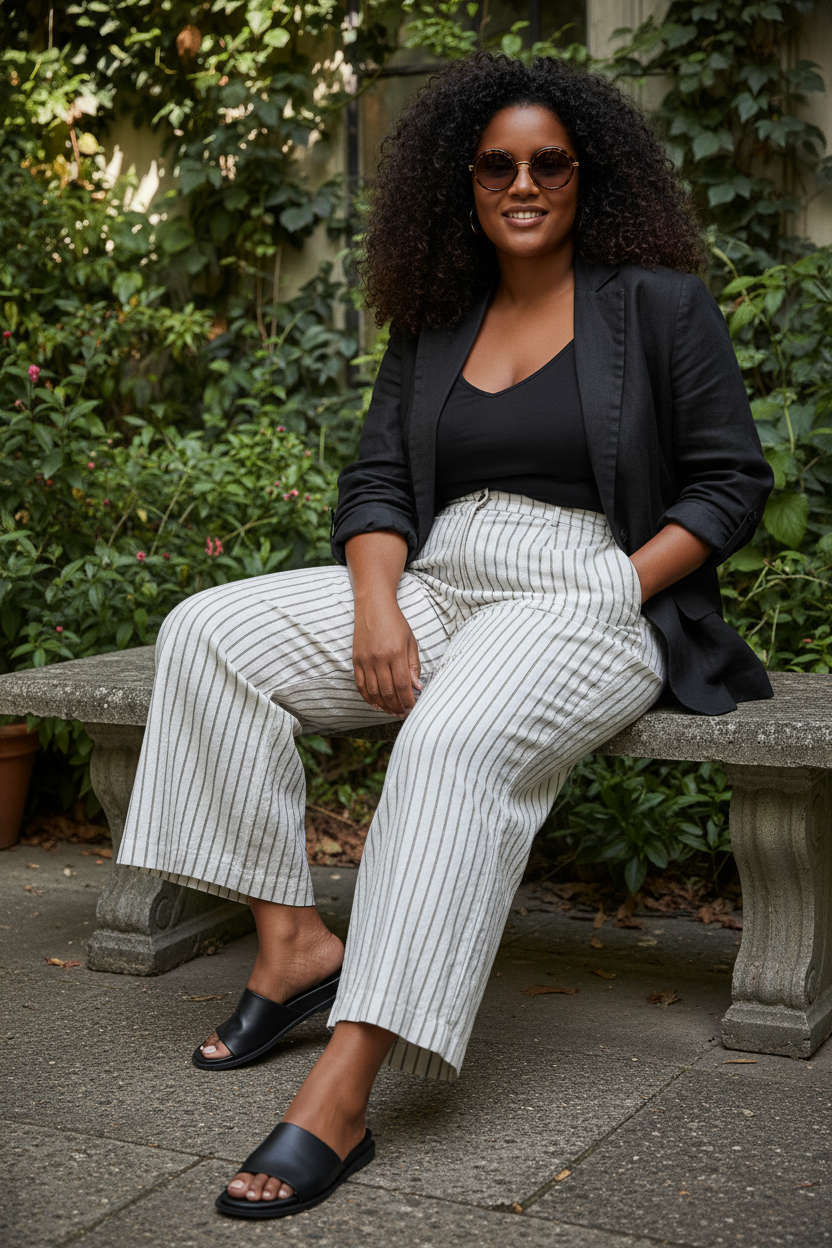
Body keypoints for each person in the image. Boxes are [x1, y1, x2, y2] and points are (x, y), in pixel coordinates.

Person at [117, 51, 773, 1219]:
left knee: (448, 743)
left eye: (549, 164)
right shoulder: (436, 316)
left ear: (590, 174)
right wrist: (377, 601)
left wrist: (614, 589)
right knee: (208, 631)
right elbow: (377, 482)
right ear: (462, 181)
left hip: (587, 587)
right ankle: (292, 946)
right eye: (497, 165)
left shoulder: (655, 305)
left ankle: (344, 1085)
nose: (523, 184)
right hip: (437, 576)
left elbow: (728, 487)